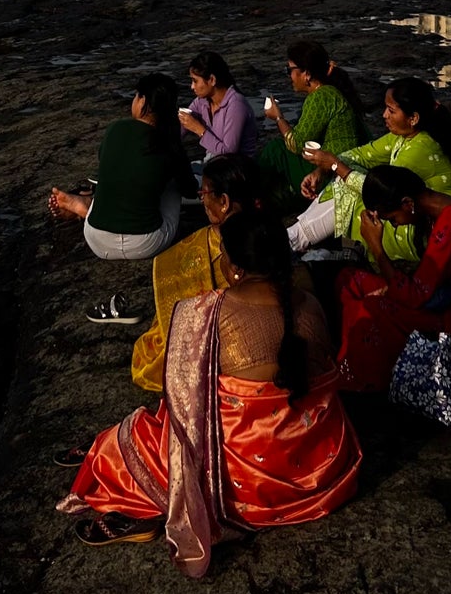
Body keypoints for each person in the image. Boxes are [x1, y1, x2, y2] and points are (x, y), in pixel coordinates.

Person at [57, 207, 362, 571]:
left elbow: (183, 403)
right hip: (321, 470)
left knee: (130, 439)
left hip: (246, 485)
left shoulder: (206, 311)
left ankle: (136, 498)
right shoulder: (311, 303)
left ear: (232, 267)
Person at [334, 165, 451, 394]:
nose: (395, 225)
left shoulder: (450, 223)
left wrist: (376, 248)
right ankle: (351, 359)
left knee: (371, 307)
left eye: (393, 218)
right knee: (350, 279)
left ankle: (361, 378)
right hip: (445, 294)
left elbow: (415, 296)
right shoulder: (439, 211)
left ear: (408, 204)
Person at [130, 154, 286, 392]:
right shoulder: (275, 238)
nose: (202, 201)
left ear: (223, 202)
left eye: (203, 194)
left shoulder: (190, 256)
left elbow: (169, 347)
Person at [289, 76, 451, 262]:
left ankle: (294, 239)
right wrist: (322, 170)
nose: (384, 115)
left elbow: (384, 192)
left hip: (422, 233)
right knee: (346, 179)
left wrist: (335, 165)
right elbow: (360, 154)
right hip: (408, 216)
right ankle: (296, 237)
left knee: (350, 191)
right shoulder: (402, 137)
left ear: (413, 118)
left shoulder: (421, 148)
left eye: (391, 110)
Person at [49, 74, 196, 263]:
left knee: (120, 178)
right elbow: (190, 190)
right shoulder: (169, 142)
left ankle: (88, 208)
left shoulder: (115, 129)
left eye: (136, 96)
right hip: (146, 244)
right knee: (173, 185)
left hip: (96, 239)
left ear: (143, 101)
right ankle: (88, 207)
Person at [259, 40, 371, 206]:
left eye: (290, 70)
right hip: (333, 166)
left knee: (276, 150)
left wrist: (278, 118)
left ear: (307, 74)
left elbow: (295, 143)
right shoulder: (329, 93)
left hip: (335, 171)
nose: (289, 75)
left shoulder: (321, 97)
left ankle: (245, 196)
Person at [178, 51, 261, 159]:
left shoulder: (236, 105)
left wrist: (199, 130)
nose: (192, 87)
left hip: (237, 169)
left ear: (212, 80)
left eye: (195, 81)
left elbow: (228, 152)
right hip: (213, 165)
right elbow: (180, 128)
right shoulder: (201, 102)